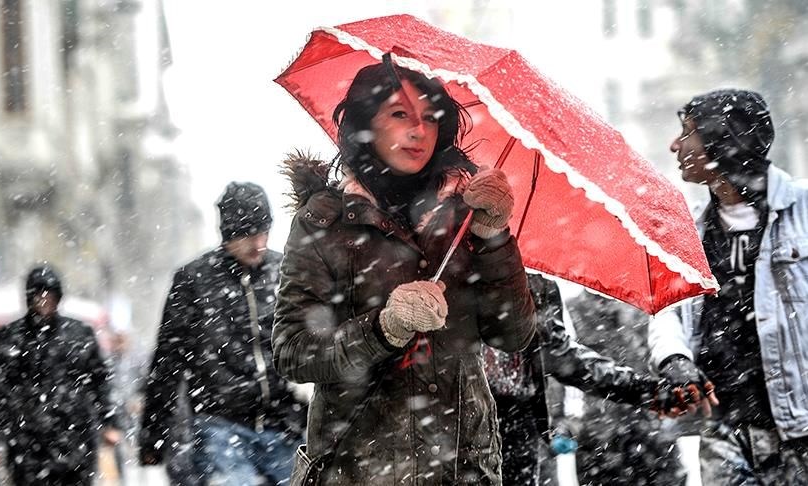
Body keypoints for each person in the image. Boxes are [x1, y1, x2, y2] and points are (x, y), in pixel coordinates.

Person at [273, 59, 537, 484]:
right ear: (365, 125)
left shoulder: (465, 215)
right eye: (400, 115)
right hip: (358, 468)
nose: (419, 130)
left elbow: (514, 334)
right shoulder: (324, 222)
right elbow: (294, 352)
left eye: (431, 118)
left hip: (461, 469)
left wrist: (494, 236)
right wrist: (384, 329)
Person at [649, 89, 808, 484]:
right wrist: (675, 360)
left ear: (724, 139)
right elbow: (668, 307)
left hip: (800, 428)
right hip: (726, 430)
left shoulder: (802, 210)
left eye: (687, 133)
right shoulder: (692, 232)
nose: (675, 145)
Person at [139, 182, 305, 485]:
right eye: (249, 234)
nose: (259, 243)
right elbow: (168, 360)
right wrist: (153, 434)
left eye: (264, 232)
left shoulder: (284, 271)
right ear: (229, 234)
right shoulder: (194, 281)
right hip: (219, 425)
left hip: (283, 423)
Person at [484, 276, 662, 485]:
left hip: (521, 424)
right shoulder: (445, 261)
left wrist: (640, 388)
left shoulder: (534, 274)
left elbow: (557, 355)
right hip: (459, 419)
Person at [0, 265, 121, 485]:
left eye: (49, 294)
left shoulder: (79, 335)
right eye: (38, 295)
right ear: (29, 297)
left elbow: (99, 381)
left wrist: (109, 421)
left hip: (75, 440)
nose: (44, 300)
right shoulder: (7, 339)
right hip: (26, 445)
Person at [566, 290, 686, 486]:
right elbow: (560, 366)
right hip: (601, 430)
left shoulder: (644, 304)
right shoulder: (574, 308)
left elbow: (662, 347)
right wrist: (560, 418)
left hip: (651, 423)